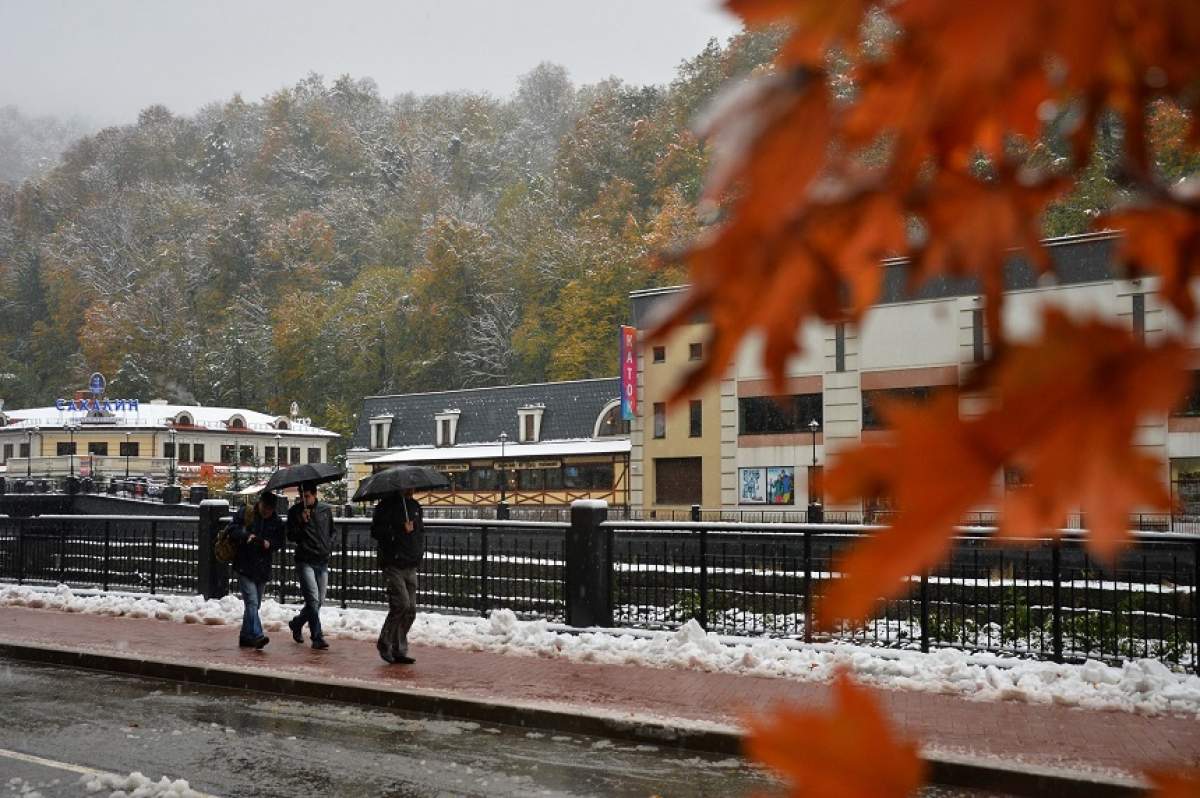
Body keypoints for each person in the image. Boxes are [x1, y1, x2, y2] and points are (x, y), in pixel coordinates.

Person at [370, 488, 424, 665]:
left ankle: (399, 648)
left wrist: (417, 553)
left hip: (410, 562)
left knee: (411, 611)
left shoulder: (415, 506)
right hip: (393, 562)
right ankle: (385, 643)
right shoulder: (385, 507)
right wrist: (400, 529)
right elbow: (377, 532)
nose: (411, 489)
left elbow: (419, 532)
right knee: (401, 603)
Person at [229, 491, 285, 649]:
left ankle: (245, 636)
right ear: (259, 503)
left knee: (254, 605)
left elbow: (280, 541)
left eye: (271, 509)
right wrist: (246, 535)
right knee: (252, 602)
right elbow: (231, 530)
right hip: (244, 565)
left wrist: (269, 544)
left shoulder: (276, 521)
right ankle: (257, 634)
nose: (267, 512)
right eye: (265, 507)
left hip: (262, 568)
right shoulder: (246, 513)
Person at [286, 481, 335, 649]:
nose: (304, 499)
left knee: (319, 601)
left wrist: (328, 545)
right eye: (302, 496)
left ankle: (297, 623)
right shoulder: (295, 512)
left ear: (315, 495)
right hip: (305, 560)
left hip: (322, 560)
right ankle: (317, 637)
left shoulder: (325, 510)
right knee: (313, 600)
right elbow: (291, 536)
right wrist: (301, 522)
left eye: (307, 496)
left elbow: (331, 531)